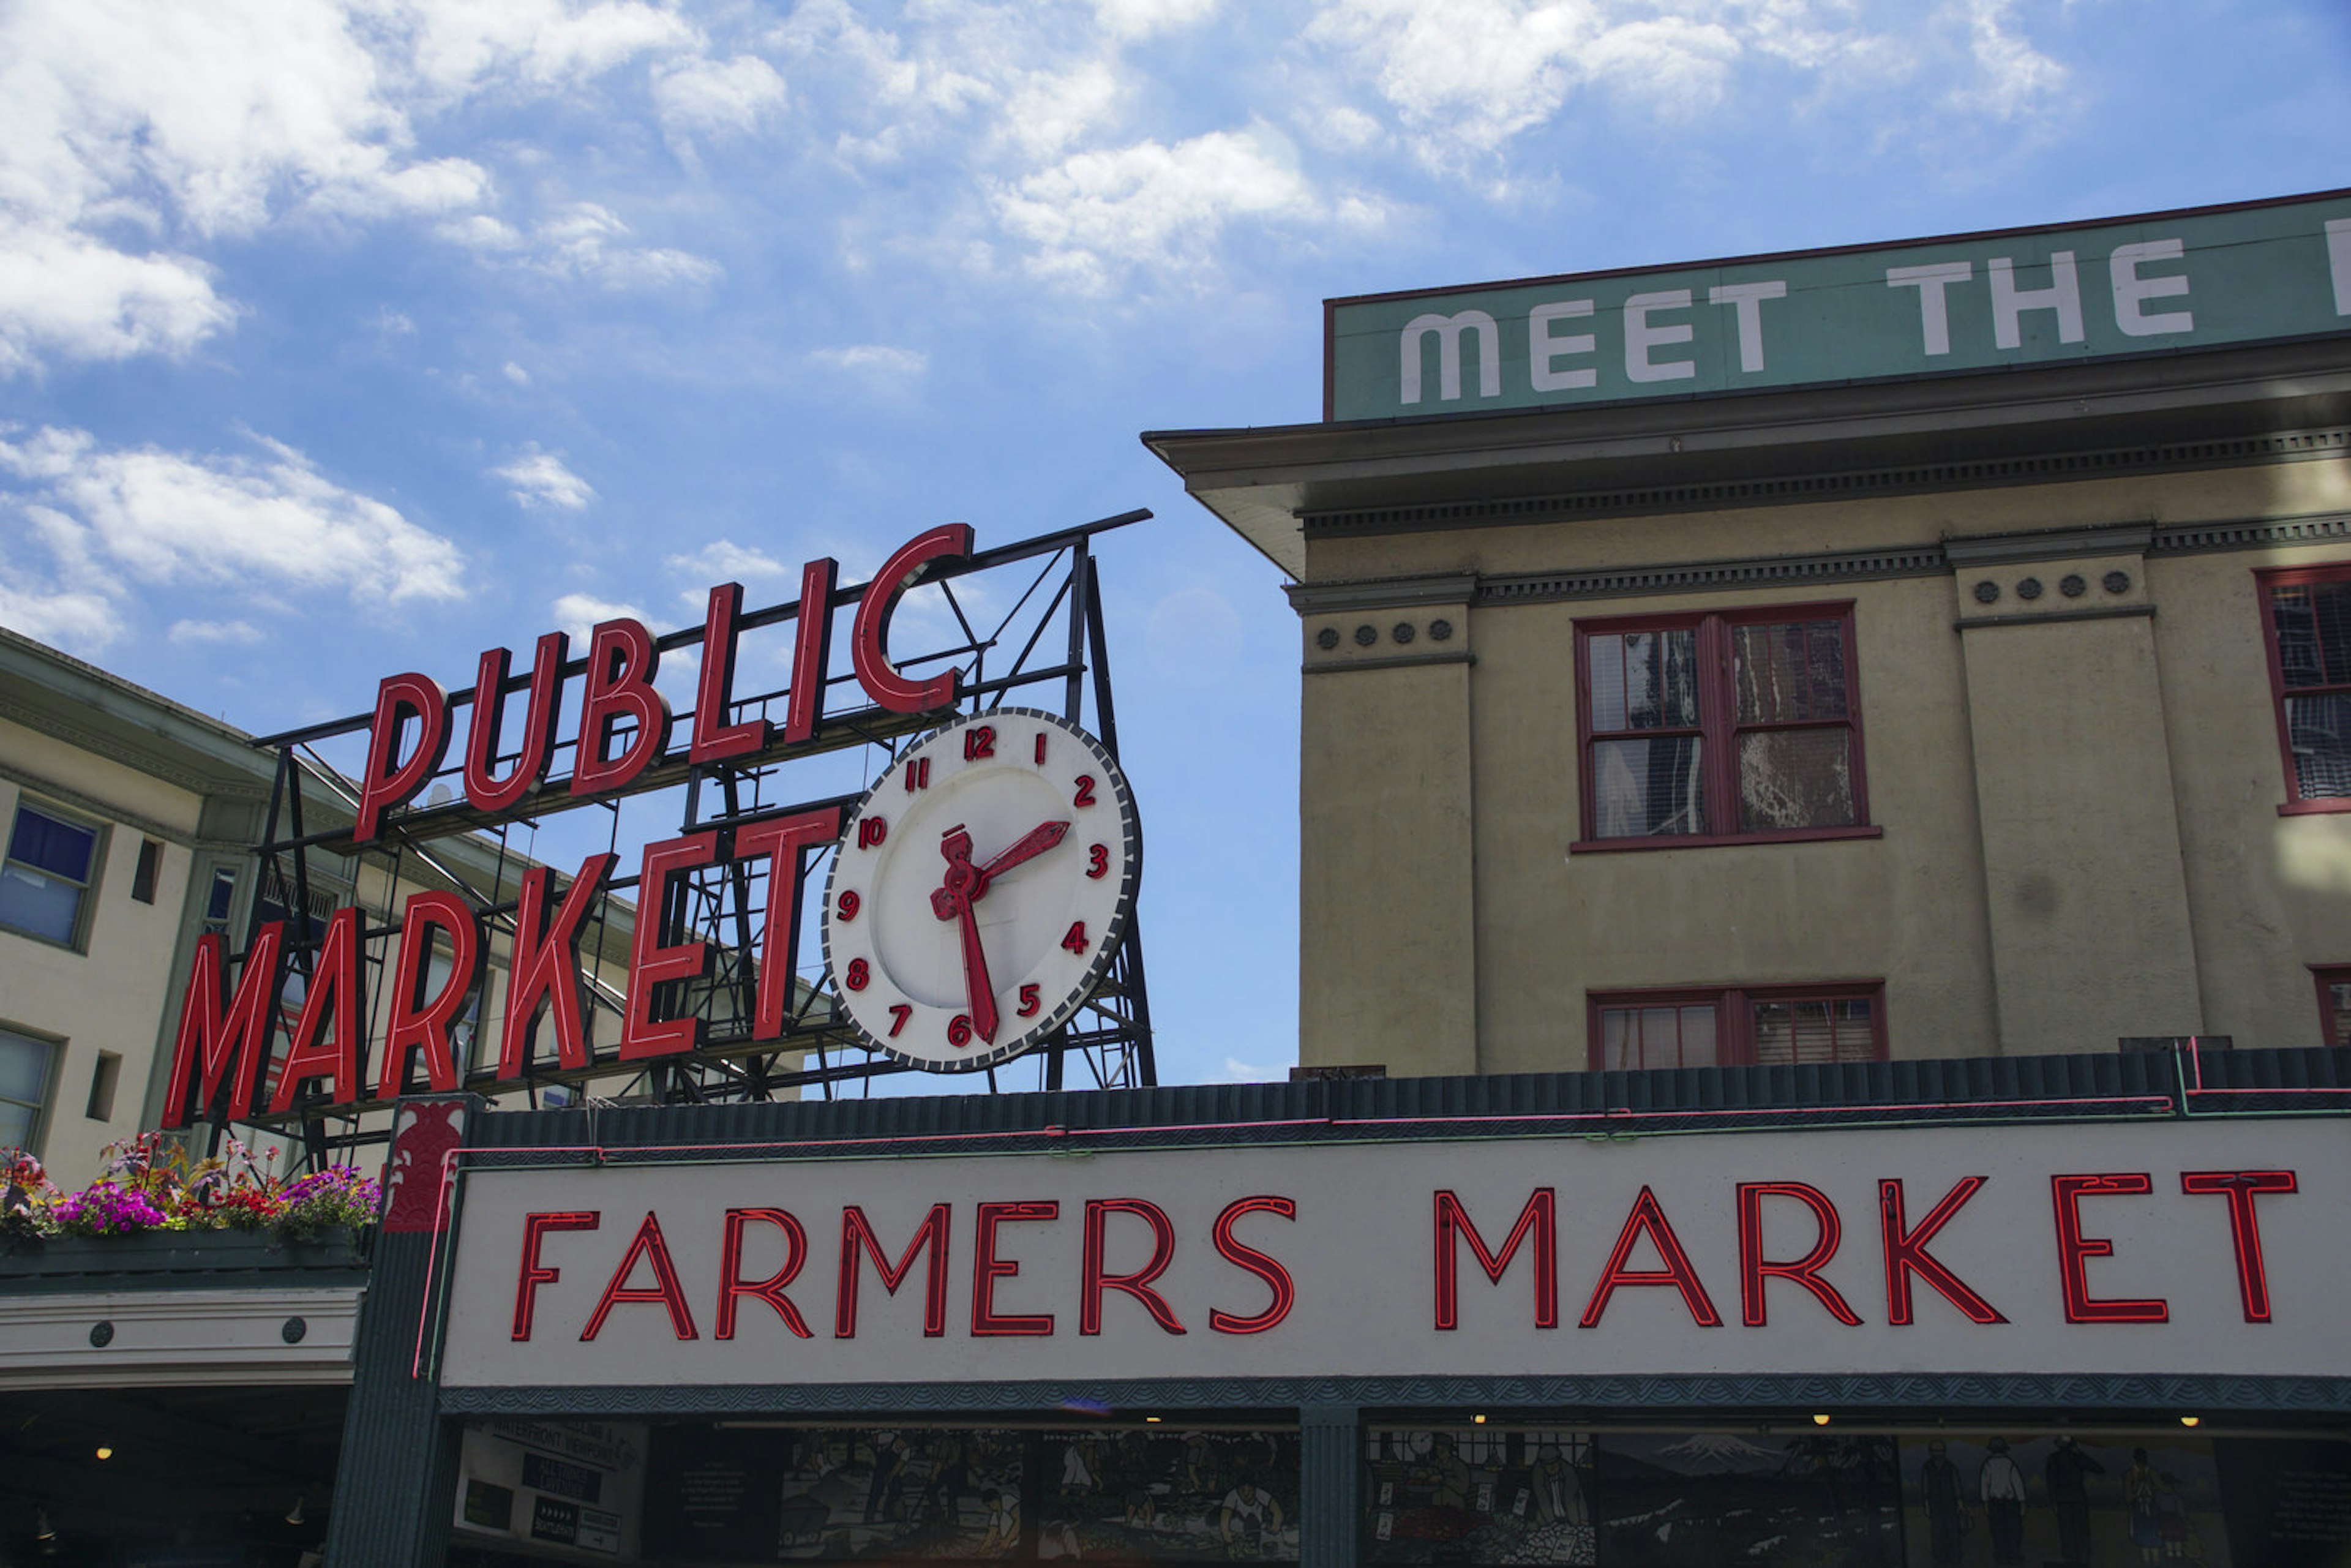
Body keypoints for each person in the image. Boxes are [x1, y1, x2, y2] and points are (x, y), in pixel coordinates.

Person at [2045, 1435, 2107, 1566]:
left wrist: (2053, 1502)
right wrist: (2081, 1454)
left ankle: (2070, 1559)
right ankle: (2082, 1559)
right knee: (2082, 1531)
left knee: (2067, 1532)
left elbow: (2051, 1482)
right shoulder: (2077, 1458)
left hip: (2063, 1499)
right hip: (2078, 1498)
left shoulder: (2053, 1458)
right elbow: (2099, 1469)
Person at [1978, 1438, 2028, 1565]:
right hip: (2010, 1503)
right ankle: (2014, 1555)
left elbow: (1985, 1486)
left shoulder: (1987, 1464)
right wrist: (2022, 1502)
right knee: (2014, 1531)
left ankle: (2002, 1556)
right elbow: (2018, 1484)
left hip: (1995, 1503)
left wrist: (1985, 1503)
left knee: (1998, 1532)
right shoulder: (2009, 1463)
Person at [1919, 1440, 1967, 1566]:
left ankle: (1954, 1556)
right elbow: (1925, 1488)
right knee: (1938, 1532)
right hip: (1936, 1505)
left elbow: (1956, 1486)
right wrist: (1927, 1505)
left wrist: (1960, 1503)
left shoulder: (1950, 1467)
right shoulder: (1928, 1467)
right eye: (1936, 1451)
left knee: (1952, 1531)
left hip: (1950, 1504)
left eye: (1940, 1451)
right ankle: (1941, 1557)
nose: (1938, 1454)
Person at [1220, 1479, 1283, 1558]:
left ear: (1254, 1490)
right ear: (1238, 1490)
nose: (1246, 1494)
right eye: (1243, 1491)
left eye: (1249, 1491)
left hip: (1258, 1529)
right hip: (1238, 1532)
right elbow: (1225, 1516)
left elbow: (1276, 1509)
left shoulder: (1260, 1493)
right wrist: (1226, 1532)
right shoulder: (1232, 1495)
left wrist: (1276, 1523)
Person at [2124, 1448, 2163, 1564]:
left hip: (2149, 1508)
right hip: (2142, 1508)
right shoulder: (2132, 1473)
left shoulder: (2149, 1471)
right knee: (2146, 1538)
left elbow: (2160, 1486)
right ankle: (2149, 1562)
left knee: (2151, 1538)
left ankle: (2152, 1562)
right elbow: (2128, 1494)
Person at [1531, 1446, 1585, 1527]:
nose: (1552, 1467)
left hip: (1572, 1517)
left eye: (1555, 1463)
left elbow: (1575, 1497)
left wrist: (1581, 1520)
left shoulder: (1569, 1472)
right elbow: (1542, 1498)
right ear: (1543, 1466)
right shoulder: (1538, 1475)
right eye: (1548, 1465)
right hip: (1547, 1520)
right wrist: (1552, 1522)